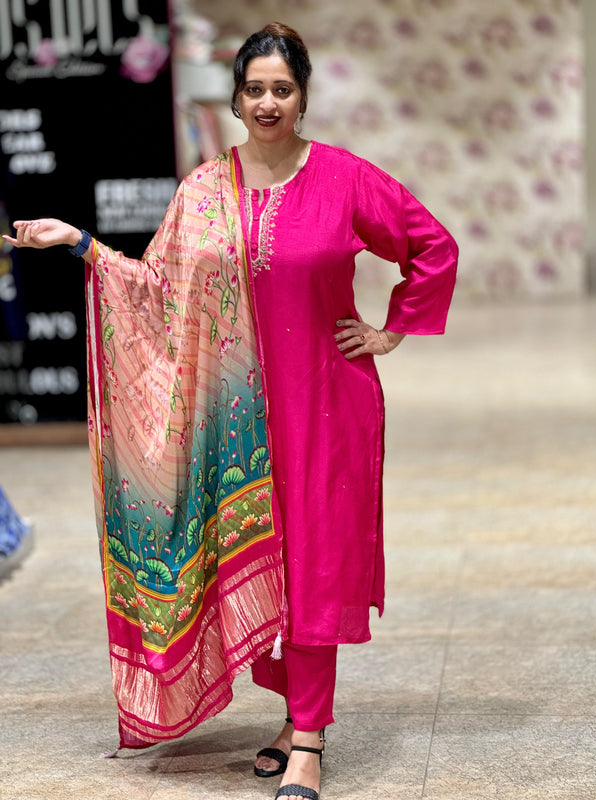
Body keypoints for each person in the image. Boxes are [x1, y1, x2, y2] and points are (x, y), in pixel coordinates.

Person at [3, 22, 458, 800]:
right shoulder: (205, 190)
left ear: (303, 95)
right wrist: (81, 242)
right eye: (255, 90)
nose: (268, 102)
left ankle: (309, 738)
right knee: (253, 564)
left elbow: (432, 246)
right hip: (235, 419)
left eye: (283, 89)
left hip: (324, 405)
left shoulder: (347, 179)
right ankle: (298, 714)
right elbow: (156, 290)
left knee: (313, 566)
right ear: (238, 98)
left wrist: (390, 329)